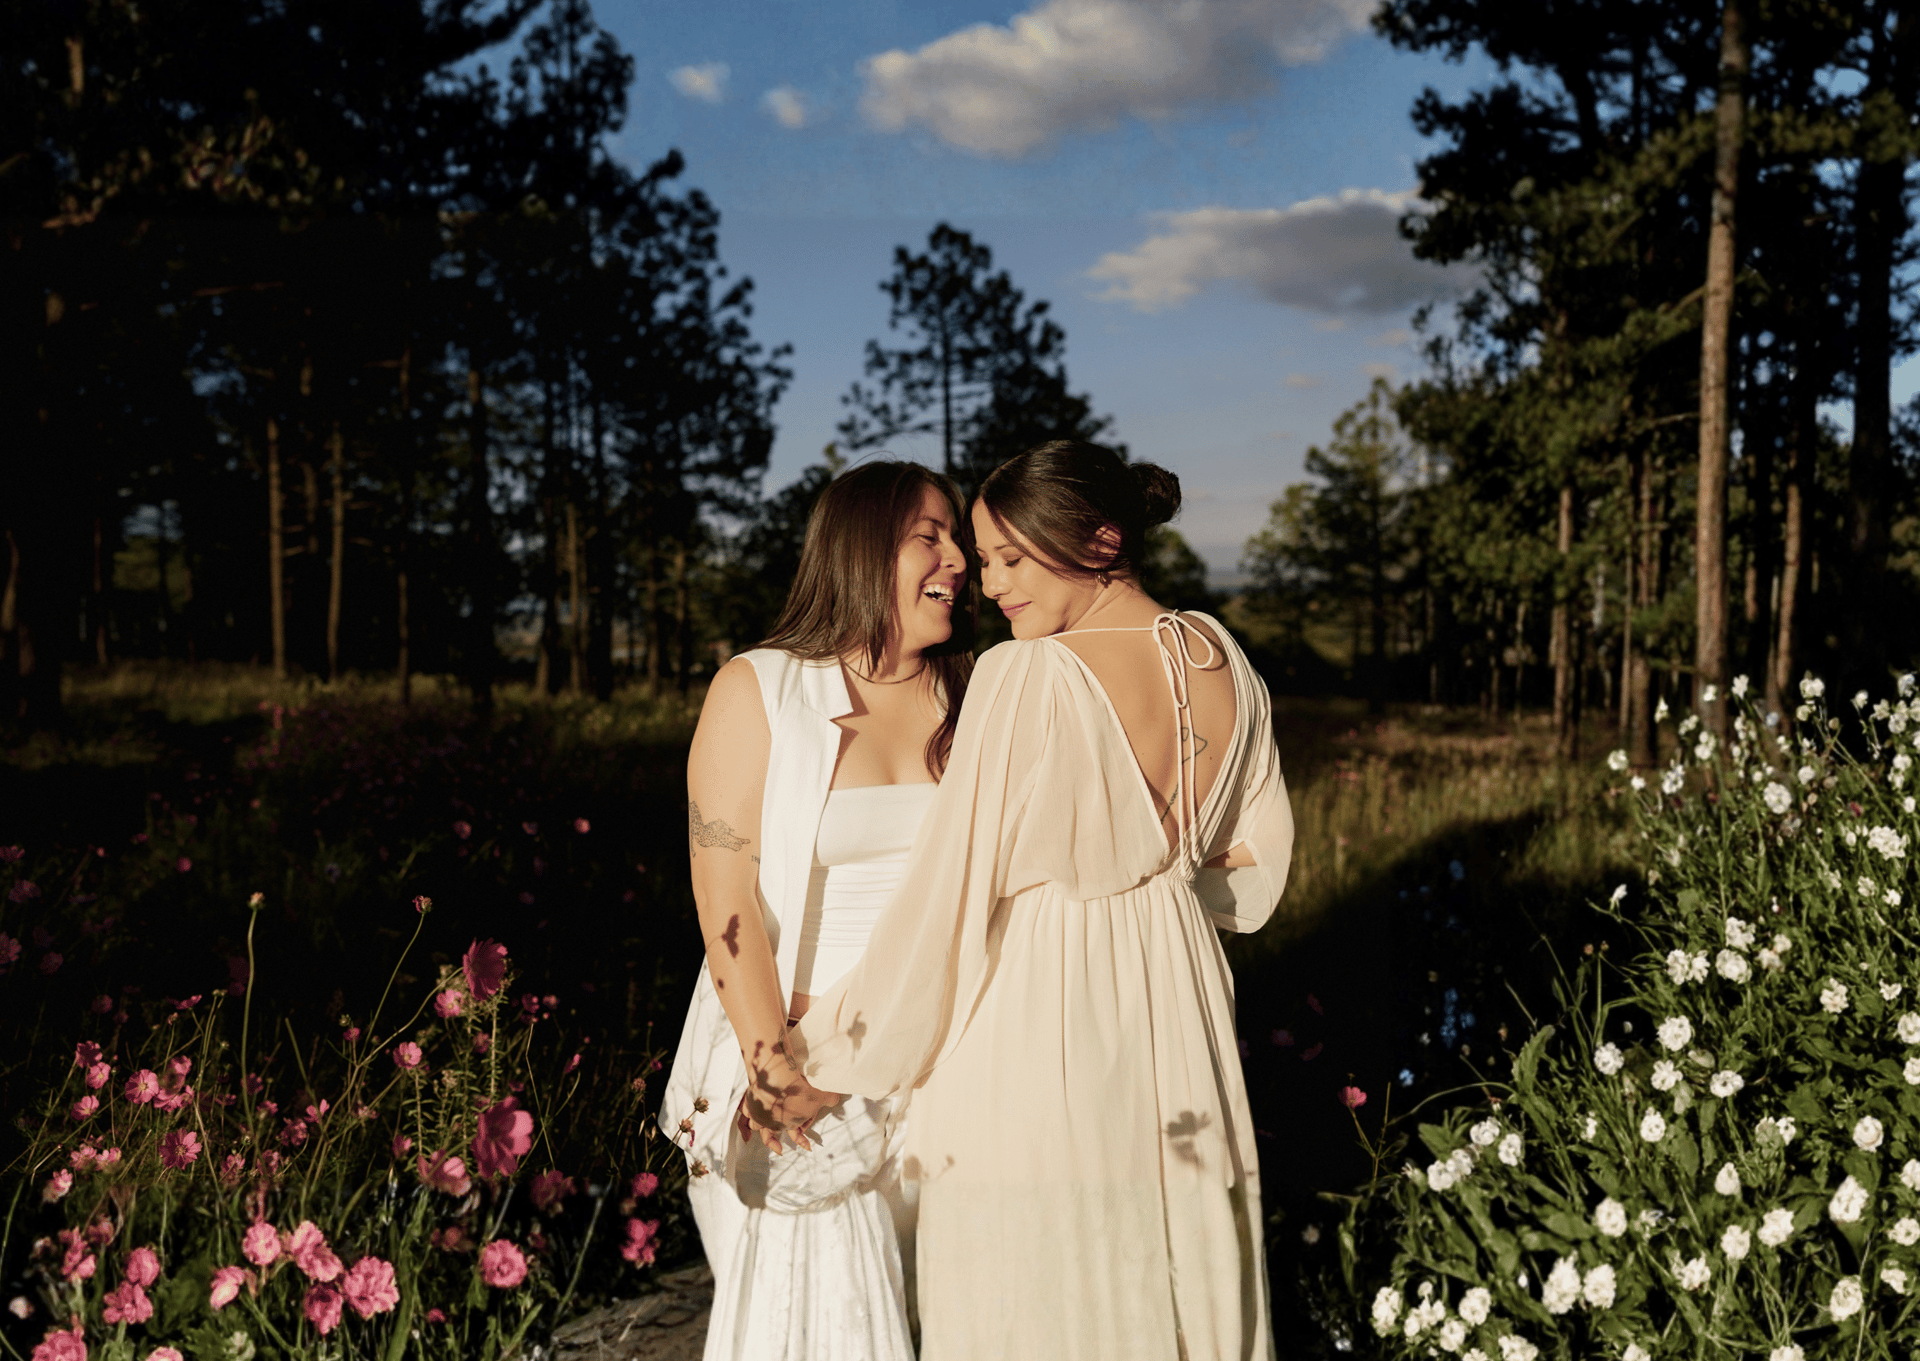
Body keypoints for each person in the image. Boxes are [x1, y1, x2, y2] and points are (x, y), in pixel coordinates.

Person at [786, 440, 1295, 1360]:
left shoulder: (1029, 675)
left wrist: (835, 1047)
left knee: (1039, 1277)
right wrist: (1158, 889)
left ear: (1102, 541)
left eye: (1013, 558)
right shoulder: (1220, 655)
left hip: (1040, 1006)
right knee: (1179, 1255)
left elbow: (952, 887)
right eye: (984, 559)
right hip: (1180, 990)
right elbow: (1255, 866)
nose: (991, 584)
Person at [661, 459, 972, 1361]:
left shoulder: (975, 697)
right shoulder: (759, 689)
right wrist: (775, 1067)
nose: (958, 557)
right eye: (930, 535)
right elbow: (723, 893)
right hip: (791, 1057)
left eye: (956, 538)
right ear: (863, 548)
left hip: (937, 1061)